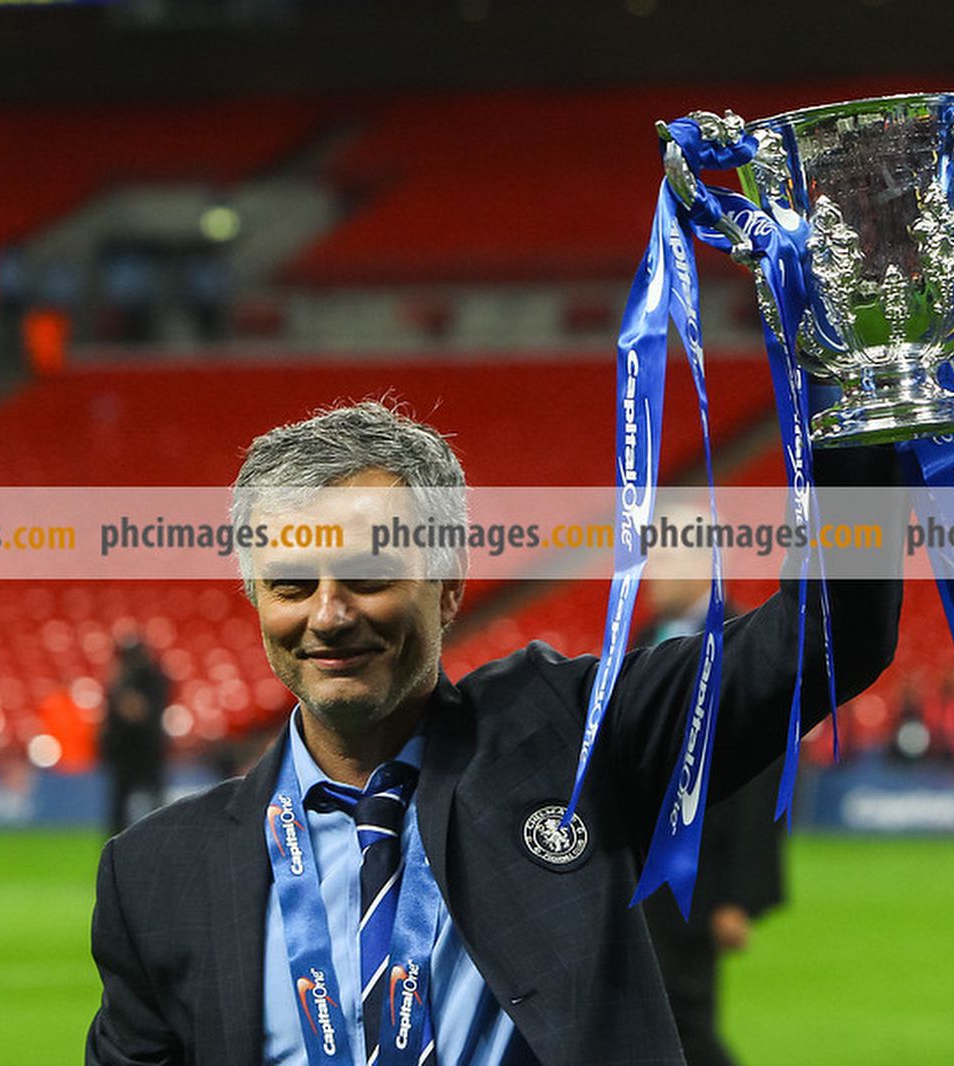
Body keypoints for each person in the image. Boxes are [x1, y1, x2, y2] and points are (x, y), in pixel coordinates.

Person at [86, 400, 903, 1065]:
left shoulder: (574, 737)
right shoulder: (154, 874)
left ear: (446, 589)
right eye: (292, 585)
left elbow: (829, 631)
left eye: (369, 576)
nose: (328, 617)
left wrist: (852, 393)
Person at [636, 519, 785, 1066]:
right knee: (649, 1012)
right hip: (636, 864)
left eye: (667, 559)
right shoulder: (647, 635)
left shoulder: (742, 643)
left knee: (685, 1015)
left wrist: (735, 895)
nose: (651, 573)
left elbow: (759, 779)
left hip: (700, 873)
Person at [99, 634, 171, 837]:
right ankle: (116, 846)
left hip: (147, 749)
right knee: (119, 807)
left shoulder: (152, 678)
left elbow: (139, 711)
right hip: (124, 751)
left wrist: (123, 696)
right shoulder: (121, 680)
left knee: (155, 802)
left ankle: (161, 840)